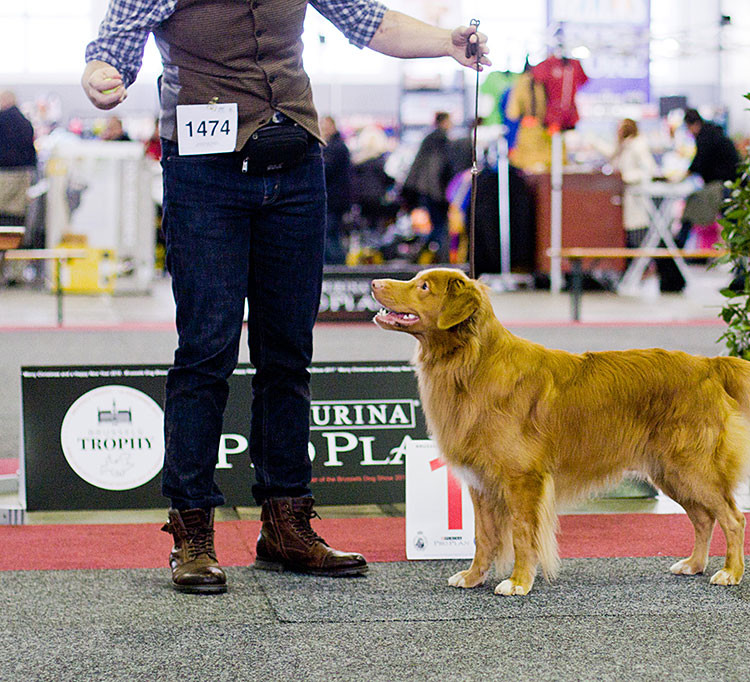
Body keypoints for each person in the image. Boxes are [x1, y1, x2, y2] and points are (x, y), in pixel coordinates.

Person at [82, 0, 489, 595]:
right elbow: (114, 47)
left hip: (296, 168)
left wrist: (447, 44)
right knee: (205, 351)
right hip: (203, 173)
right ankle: (192, 533)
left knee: (289, 353)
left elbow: (368, 22)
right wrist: (100, 79)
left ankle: (286, 524)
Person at [656, 108, 740, 292]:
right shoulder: (715, 133)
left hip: (721, 188)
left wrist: (678, 178)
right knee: (735, 231)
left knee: (693, 219)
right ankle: (741, 275)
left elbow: (698, 164)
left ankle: (674, 266)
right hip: (730, 187)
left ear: (691, 125)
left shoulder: (706, 137)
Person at [403, 111, 455, 262]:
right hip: (435, 191)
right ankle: (439, 258)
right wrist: (442, 193)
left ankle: (420, 253)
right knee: (440, 226)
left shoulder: (429, 139)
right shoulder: (441, 140)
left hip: (425, 190)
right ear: (444, 121)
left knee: (436, 225)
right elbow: (437, 169)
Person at [611, 118, 658, 248]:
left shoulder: (638, 145)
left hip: (637, 194)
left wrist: (627, 177)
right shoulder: (625, 145)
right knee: (629, 230)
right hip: (628, 193)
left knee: (637, 231)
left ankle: (641, 264)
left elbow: (649, 169)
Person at [0, 90, 37, 228]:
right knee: (16, 213)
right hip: (22, 174)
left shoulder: (1, 120)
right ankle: (14, 244)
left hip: (3, 174)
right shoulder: (25, 122)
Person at [320, 115, 353, 265]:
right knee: (332, 235)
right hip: (338, 200)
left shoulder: (334, 148)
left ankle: (337, 268)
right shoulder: (340, 146)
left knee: (329, 236)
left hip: (333, 200)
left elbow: (325, 171)